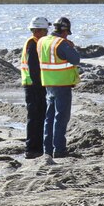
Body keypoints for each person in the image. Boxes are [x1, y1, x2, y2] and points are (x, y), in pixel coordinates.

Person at [38, 16, 81, 158]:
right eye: (67, 33)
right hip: (62, 84)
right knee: (61, 117)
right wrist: (70, 45)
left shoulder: (42, 41)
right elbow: (75, 59)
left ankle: (47, 149)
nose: (67, 35)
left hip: (48, 83)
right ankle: (59, 149)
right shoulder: (61, 43)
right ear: (64, 31)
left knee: (49, 117)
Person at [19, 16, 51, 159]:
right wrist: (42, 86)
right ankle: (32, 149)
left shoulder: (36, 43)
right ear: (38, 30)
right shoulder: (33, 44)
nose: (47, 33)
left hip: (34, 85)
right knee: (35, 117)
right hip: (33, 86)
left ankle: (37, 148)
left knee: (38, 116)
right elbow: (34, 69)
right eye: (45, 30)